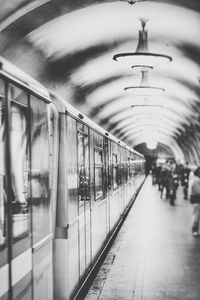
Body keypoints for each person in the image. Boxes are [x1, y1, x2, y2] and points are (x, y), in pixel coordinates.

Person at [188, 167, 200, 236]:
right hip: (196, 199)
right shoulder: (196, 181)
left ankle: (195, 230)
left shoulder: (194, 180)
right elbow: (198, 191)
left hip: (195, 199)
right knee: (196, 215)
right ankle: (194, 230)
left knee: (196, 214)